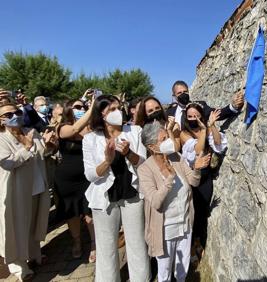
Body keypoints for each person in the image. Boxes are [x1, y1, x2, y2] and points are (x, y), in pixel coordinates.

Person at [82, 95, 150, 282]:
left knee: (136, 242)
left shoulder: (134, 131)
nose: (117, 112)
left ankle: (141, 278)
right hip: (104, 197)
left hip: (131, 193)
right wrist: (107, 161)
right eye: (111, 109)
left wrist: (128, 153)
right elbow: (90, 175)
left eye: (119, 107)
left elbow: (143, 164)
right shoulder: (89, 139)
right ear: (101, 114)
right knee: (106, 246)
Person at [138, 121, 210, 282]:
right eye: (163, 139)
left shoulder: (176, 158)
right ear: (152, 147)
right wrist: (169, 178)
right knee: (164, 274)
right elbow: (156, 201)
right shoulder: (144, 169)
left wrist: (197, 168)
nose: (169, 141)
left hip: (185, 224)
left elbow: (194, 181)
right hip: (164, 231)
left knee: (182, 270)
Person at [0, 102, 55, 281]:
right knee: (17, 229)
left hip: (37, 185)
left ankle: (34, 254)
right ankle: (19, 268)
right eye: (7, 115)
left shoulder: (31, 131)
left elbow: (42, 153)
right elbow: (8, 163)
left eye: (15, 112)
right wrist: (26, 147)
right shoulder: (1, 138)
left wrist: (50, 146)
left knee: (34, 224)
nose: (13, 116)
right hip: (16, 192)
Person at [180, 102, 227, 261]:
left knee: (202, 212)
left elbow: (219, 144)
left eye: (197, 116)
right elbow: (198, 150)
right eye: (190, 116)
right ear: (186, 118)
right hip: (192, 176)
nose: (194, 119)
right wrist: (204, 130)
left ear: (202, 115)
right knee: (191, 212)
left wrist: (211, 126)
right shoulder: (184, 134)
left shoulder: (205, 128)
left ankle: (198, 241)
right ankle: (189, 244)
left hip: (206, 177)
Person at [54, 95, 96, 262]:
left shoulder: (90, 127)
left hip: (87, 178)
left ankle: (94, 243)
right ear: (68, 110)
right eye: (77, 107)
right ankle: (77, 241)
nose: (81, 110)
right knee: (72, 213)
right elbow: (73, 131)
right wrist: (92, 108)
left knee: (89, 212)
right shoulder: (62, 127)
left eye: (83, 107)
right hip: (66, 180)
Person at [166, 80, 244, 129]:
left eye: (185, 92)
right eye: (179, 93)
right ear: (174, 96)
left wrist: (233, 106)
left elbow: (217, 113)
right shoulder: (169, 112)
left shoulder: (200, 106)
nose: (183, 94)